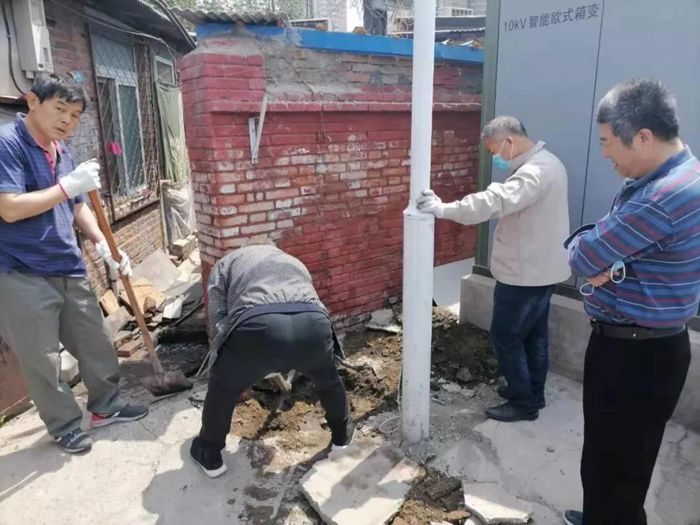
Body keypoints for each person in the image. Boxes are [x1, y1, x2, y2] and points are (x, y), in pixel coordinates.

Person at [563, 79, 699, 525]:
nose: (604, 153)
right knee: (617, 463)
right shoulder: (678, 177)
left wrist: (598, 253)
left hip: (633, 357)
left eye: (607, 141)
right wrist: (606, 251)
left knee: (615, 469)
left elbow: (583, 256)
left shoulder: (663, 198)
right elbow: (599, 245)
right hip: (647, 348)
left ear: (642, 136)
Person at [0, 74, 147, 454]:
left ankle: (106, 406)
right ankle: (64, 425)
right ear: (33, 102)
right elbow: (9, 208)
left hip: (67, 263)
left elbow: (77, 206)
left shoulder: (62, 151)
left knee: (96, 342)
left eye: (76, 115)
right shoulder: (7, 143)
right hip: (21, 271)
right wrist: (68, 186)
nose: (67, 120)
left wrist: (103, 244)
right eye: (60, 109)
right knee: (42, 358)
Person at [417, 116, 570, 422]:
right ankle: (533, 393)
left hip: (524, 276)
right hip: (540, 271)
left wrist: (443, 209)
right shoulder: (550, 163)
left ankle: (523, 403)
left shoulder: (535, 172)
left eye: (494, 151)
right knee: (534, 336)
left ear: (508, 141)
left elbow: (495, 200)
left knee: (506, 337)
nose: (495, 158)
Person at [190, 242, 354, 478]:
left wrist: (233, 363)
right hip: (314, 324)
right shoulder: (292, 261)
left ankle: (210, 455)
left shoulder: (225, 264)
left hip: (256, 327)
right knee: (328, 380)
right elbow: (306, 298)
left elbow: (218, 318)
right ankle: (342, 438)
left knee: (222, 389)